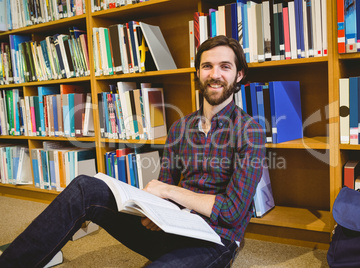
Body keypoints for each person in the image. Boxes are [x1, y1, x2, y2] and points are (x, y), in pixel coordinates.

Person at [0, 35, 265, 268]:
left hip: (215, 240)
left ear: (239, 75)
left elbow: (231, 211)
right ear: (198, 72)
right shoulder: (181, 127)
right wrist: (157, 209)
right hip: (172, 225)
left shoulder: (250, 131)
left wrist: (168, 193)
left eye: (225, 67)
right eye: (207, 66)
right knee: (85, 187)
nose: (214, 74)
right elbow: (167, 182)